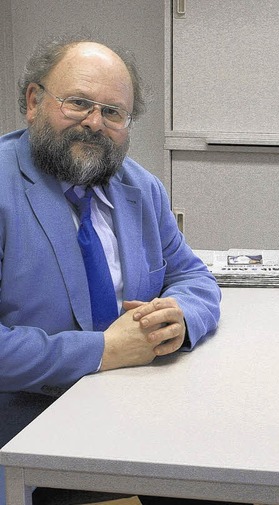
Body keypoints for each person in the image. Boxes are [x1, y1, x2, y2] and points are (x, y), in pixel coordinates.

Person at [0, 36, 230, 505]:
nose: (94, 123)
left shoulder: (140, 188)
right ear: (33, 101)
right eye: (78, 103)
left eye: (112, 112)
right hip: (25, 427)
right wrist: (103, 349)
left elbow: (194, 276)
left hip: (141, 408)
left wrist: (182, 316)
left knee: (226, 470)